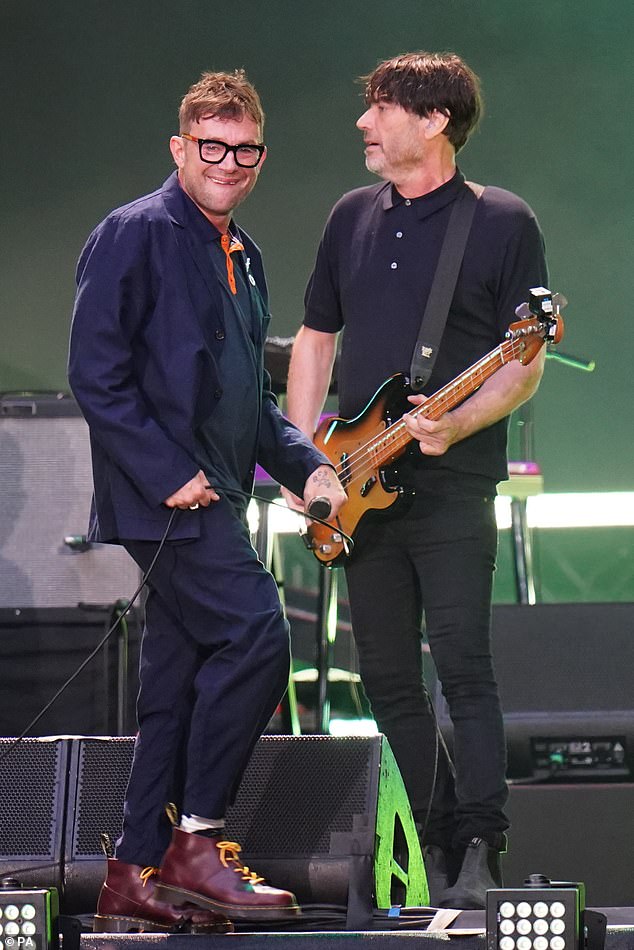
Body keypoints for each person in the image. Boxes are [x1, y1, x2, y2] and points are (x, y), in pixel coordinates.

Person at [68, 69, 346, 933]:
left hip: (215, 499)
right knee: (260, 636)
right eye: (212, 148)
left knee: (174, 692)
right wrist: (163, 470)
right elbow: (95, 374)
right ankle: (197, 842)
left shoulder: (244, 254)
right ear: (180, 149)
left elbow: (251, 403)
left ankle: (130, 874)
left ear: (259, 154)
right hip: (171, 506)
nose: (229, 163)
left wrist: (307, 467)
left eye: (245, 150)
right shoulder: (134, 234)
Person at [284, 52, 548, 910]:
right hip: (360, 488)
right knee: (390, 681)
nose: (364, 124)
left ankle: (481, 843)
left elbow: (526, 359)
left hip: (451, 485)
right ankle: (429, 839)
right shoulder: (350, 217)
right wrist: (301, 451)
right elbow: (316, 338)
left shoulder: (502, 222)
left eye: (382, 109)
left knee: (464, 670)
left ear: (435, 120)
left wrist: (458, 422)